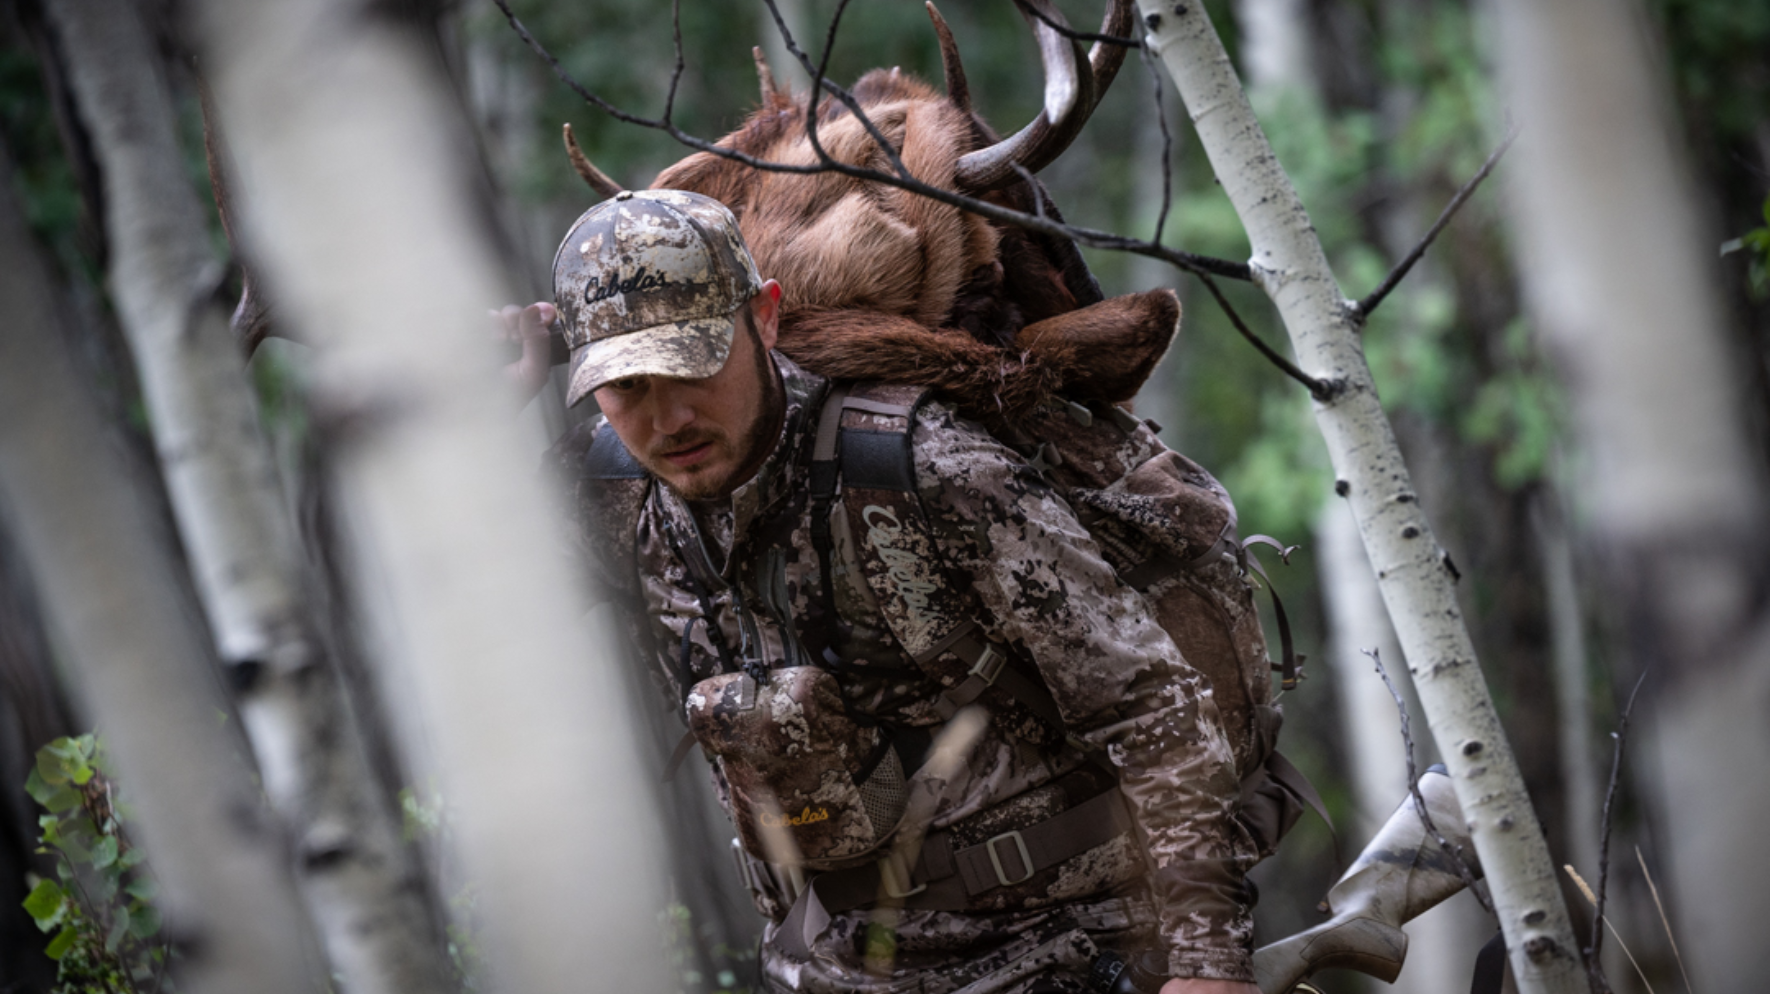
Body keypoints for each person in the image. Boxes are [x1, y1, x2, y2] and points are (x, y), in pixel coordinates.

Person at [538, 189, 1263, 994]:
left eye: (696, 363)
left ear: (765, 319)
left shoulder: (922, 470)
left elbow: (1153, 705)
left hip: (1056, 952)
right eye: (627, 385)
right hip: (820, 969)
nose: (668, 417)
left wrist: (1208, 964)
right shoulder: (606, 493)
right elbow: (491, 649)